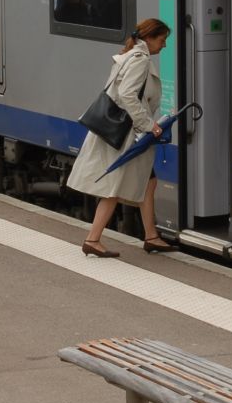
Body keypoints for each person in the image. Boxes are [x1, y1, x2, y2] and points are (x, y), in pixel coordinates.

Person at [66, 18, 173, 258]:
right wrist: (149, 126)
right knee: (113, 188)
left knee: (148, 181)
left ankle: (151, 236)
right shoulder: (140, 61)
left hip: (121, 132)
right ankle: (93, 239)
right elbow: (126, 95)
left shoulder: (130, 55)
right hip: (125, 135)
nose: (164, 45)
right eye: (162, 39)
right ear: (149, 37)